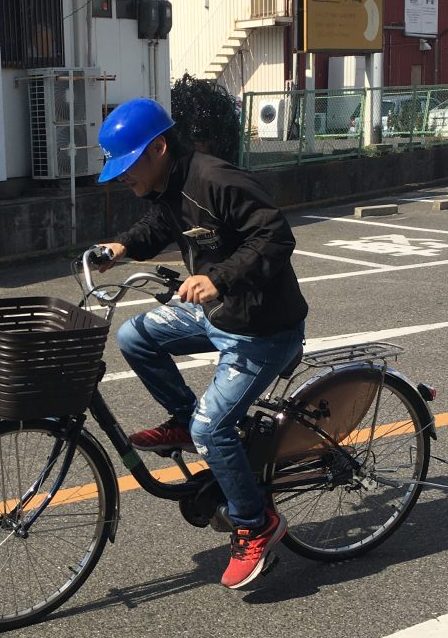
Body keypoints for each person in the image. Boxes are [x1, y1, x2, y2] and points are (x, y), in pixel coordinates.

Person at [95, 97, 308, 589]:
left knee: (215, 430)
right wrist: (123, 247)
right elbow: (160, 225)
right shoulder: (167, 185)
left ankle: (256, 524)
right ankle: (182, 420)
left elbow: (275, 237)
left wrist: (220, 278)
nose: (124, 176)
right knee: (135, 336)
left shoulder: (216, 179)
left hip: (263, 326)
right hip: (218, 312)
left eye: (128, 165)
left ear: (159, 147)